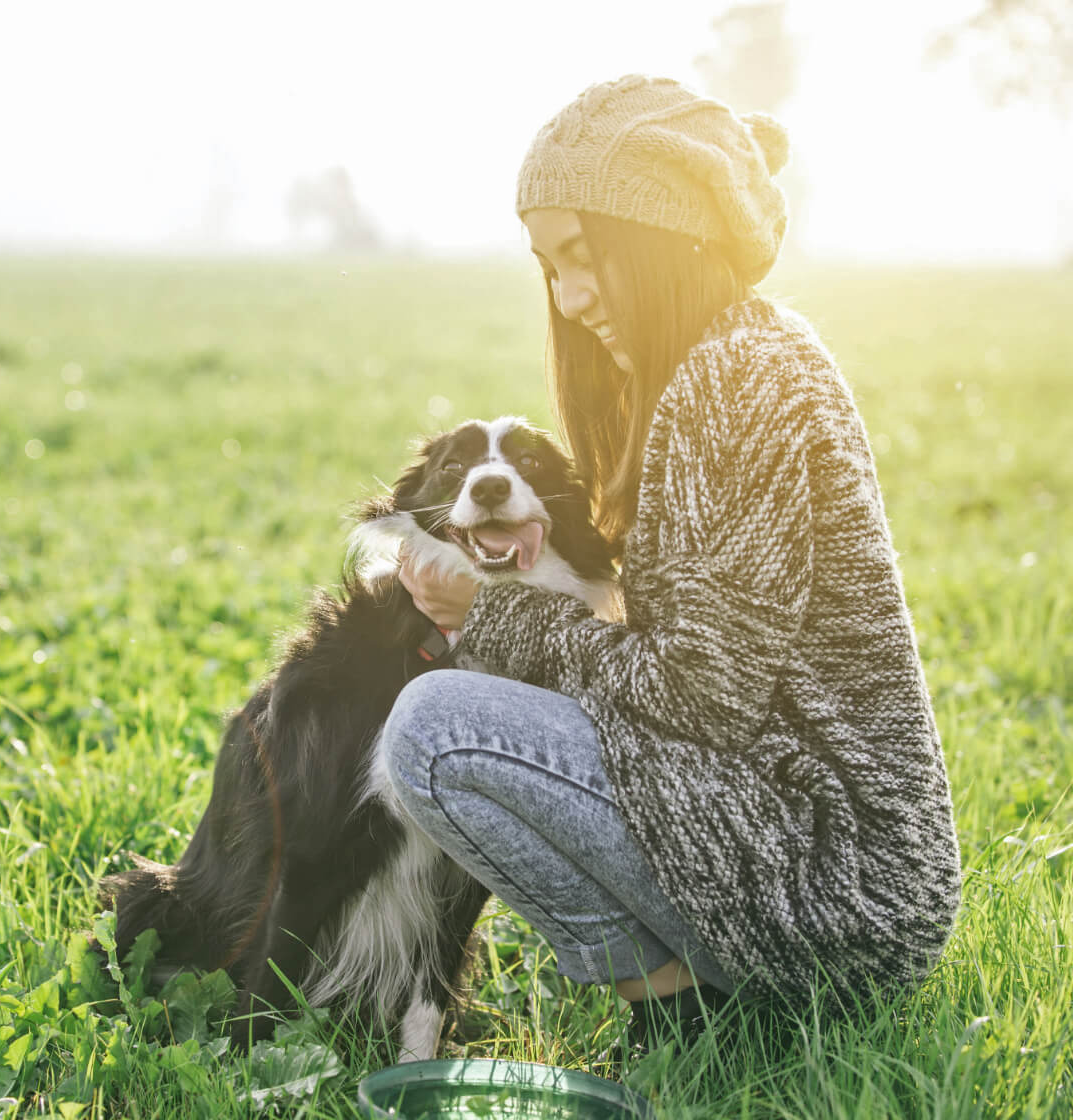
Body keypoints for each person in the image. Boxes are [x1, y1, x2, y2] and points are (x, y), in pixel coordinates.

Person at [381, 74, 962, 1055]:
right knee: (463, 719)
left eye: (584, 258)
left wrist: (492, 617)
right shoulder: (743, 356)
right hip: (817, 844)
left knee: (433, 733)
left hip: (838, 883)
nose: (566, 297)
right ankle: (688, 1011)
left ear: (659, 239)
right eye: (547, 267)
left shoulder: (733, 380)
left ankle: (677, 1010)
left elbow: (695, 699)